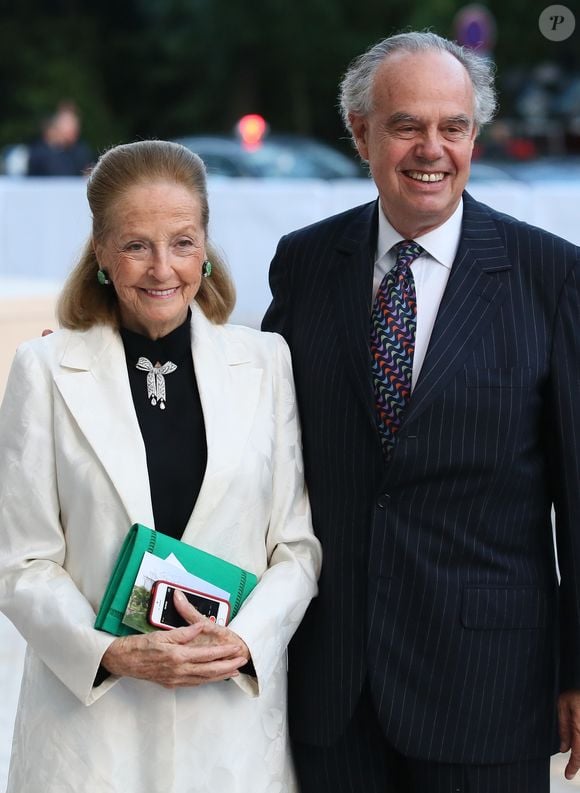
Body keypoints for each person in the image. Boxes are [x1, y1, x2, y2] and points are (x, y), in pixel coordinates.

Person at [262, 30, 580, 793]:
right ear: (362, 132)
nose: (431, 149)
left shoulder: (550, 275)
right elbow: (256, 429)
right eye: (407, 125)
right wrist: (106, 360)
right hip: (331, 686)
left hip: (488, 686)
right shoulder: (305, 263)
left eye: (454, 127)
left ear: (475, 136)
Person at [0, 139, 321, 793]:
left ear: (205, 248)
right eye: (136, 244)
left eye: (180, 241)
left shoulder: (266, 364)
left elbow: (297, 546)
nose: (160, 267)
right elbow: (20, 560)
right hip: (89, 736)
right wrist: (112, 653)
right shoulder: (43, 370)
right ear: (101, 252)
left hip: (229, 729)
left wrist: (248, 641)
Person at [27, 101, 93, 176]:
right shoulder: (39, 152)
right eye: (69, 125)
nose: (75, 129)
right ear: (57, 126)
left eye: (76, 125)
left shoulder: (80, 152)